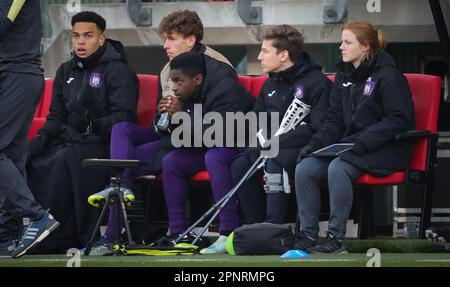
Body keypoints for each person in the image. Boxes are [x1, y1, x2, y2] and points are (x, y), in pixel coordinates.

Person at [88, 10, 237, 254]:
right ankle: (121, 196)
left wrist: (180, 117)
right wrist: (163, 120)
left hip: (205, 139)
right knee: (121, 130)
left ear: (190, 40)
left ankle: (119, 228)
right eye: (164, 39)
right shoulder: (168, 69)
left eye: (171, 39)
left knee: (158, 160)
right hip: (172, 136)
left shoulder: (218, 68)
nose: (165, 46)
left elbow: (220, 125)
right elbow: (162, 118)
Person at [294, 21, 415, 253]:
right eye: (341, 41)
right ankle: (308, 236)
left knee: (338, 168)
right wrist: (314, 145)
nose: (341, 47)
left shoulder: (389, 76)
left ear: (366, 47)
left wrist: (361, 142)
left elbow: (397, 119)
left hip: (387, 148)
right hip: (352, 146)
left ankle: (335, 239)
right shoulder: (342, 77)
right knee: (305, 168)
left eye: (347, 42)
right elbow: (334, 121)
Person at [26, 11, 138, 253]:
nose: (80, 42)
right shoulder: (66, 71)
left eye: (88, 36)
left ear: (101, 39)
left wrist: (91, 125)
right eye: (76, 36)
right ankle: (36, 232)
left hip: (102, 145)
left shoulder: (119, 71)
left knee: (65, 160)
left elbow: (125, 117)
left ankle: (69, 237)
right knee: (33, 159)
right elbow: (56, 118)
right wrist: (40, 139)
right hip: (70, 141)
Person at [230, 25, 332, 224]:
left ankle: (273, 226)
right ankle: (256, 228)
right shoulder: (270, 84)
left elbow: (319, 128)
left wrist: (277, 141)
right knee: (239, 163)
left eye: (265, 51)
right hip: (271, 146)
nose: (259, 57)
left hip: (304, 151)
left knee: (275, 158)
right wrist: (261, 140)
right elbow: (256, 119)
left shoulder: (318, 82)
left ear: (283, 55)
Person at [0, 0, 59, 258]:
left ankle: (37, 216)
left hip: (17, 73)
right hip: (12, 73)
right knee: (11, 158)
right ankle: (5, 235)